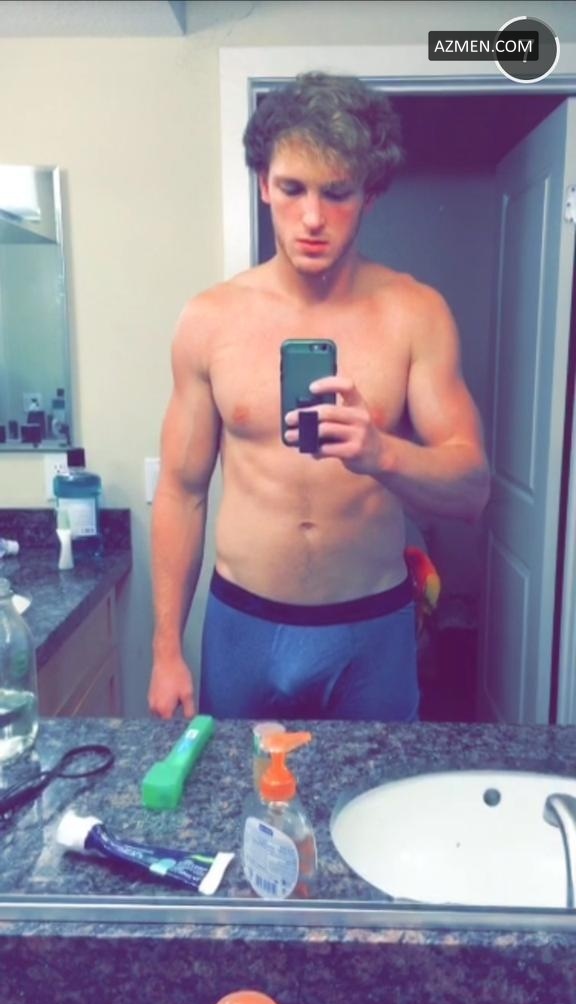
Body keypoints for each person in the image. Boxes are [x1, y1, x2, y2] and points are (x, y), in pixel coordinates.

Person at [148, 72, 490, 723]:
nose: (312, 217)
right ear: (262, 184)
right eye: (291, 189)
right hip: (243, 626)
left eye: (336, 193)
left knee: (379, 789)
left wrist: (382, 453)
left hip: (370, 629)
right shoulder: (209, 320)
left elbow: (472, 491)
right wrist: (166, 649)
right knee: (243, 789)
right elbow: (181, 492)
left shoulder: (416, 313)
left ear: (369, 194)